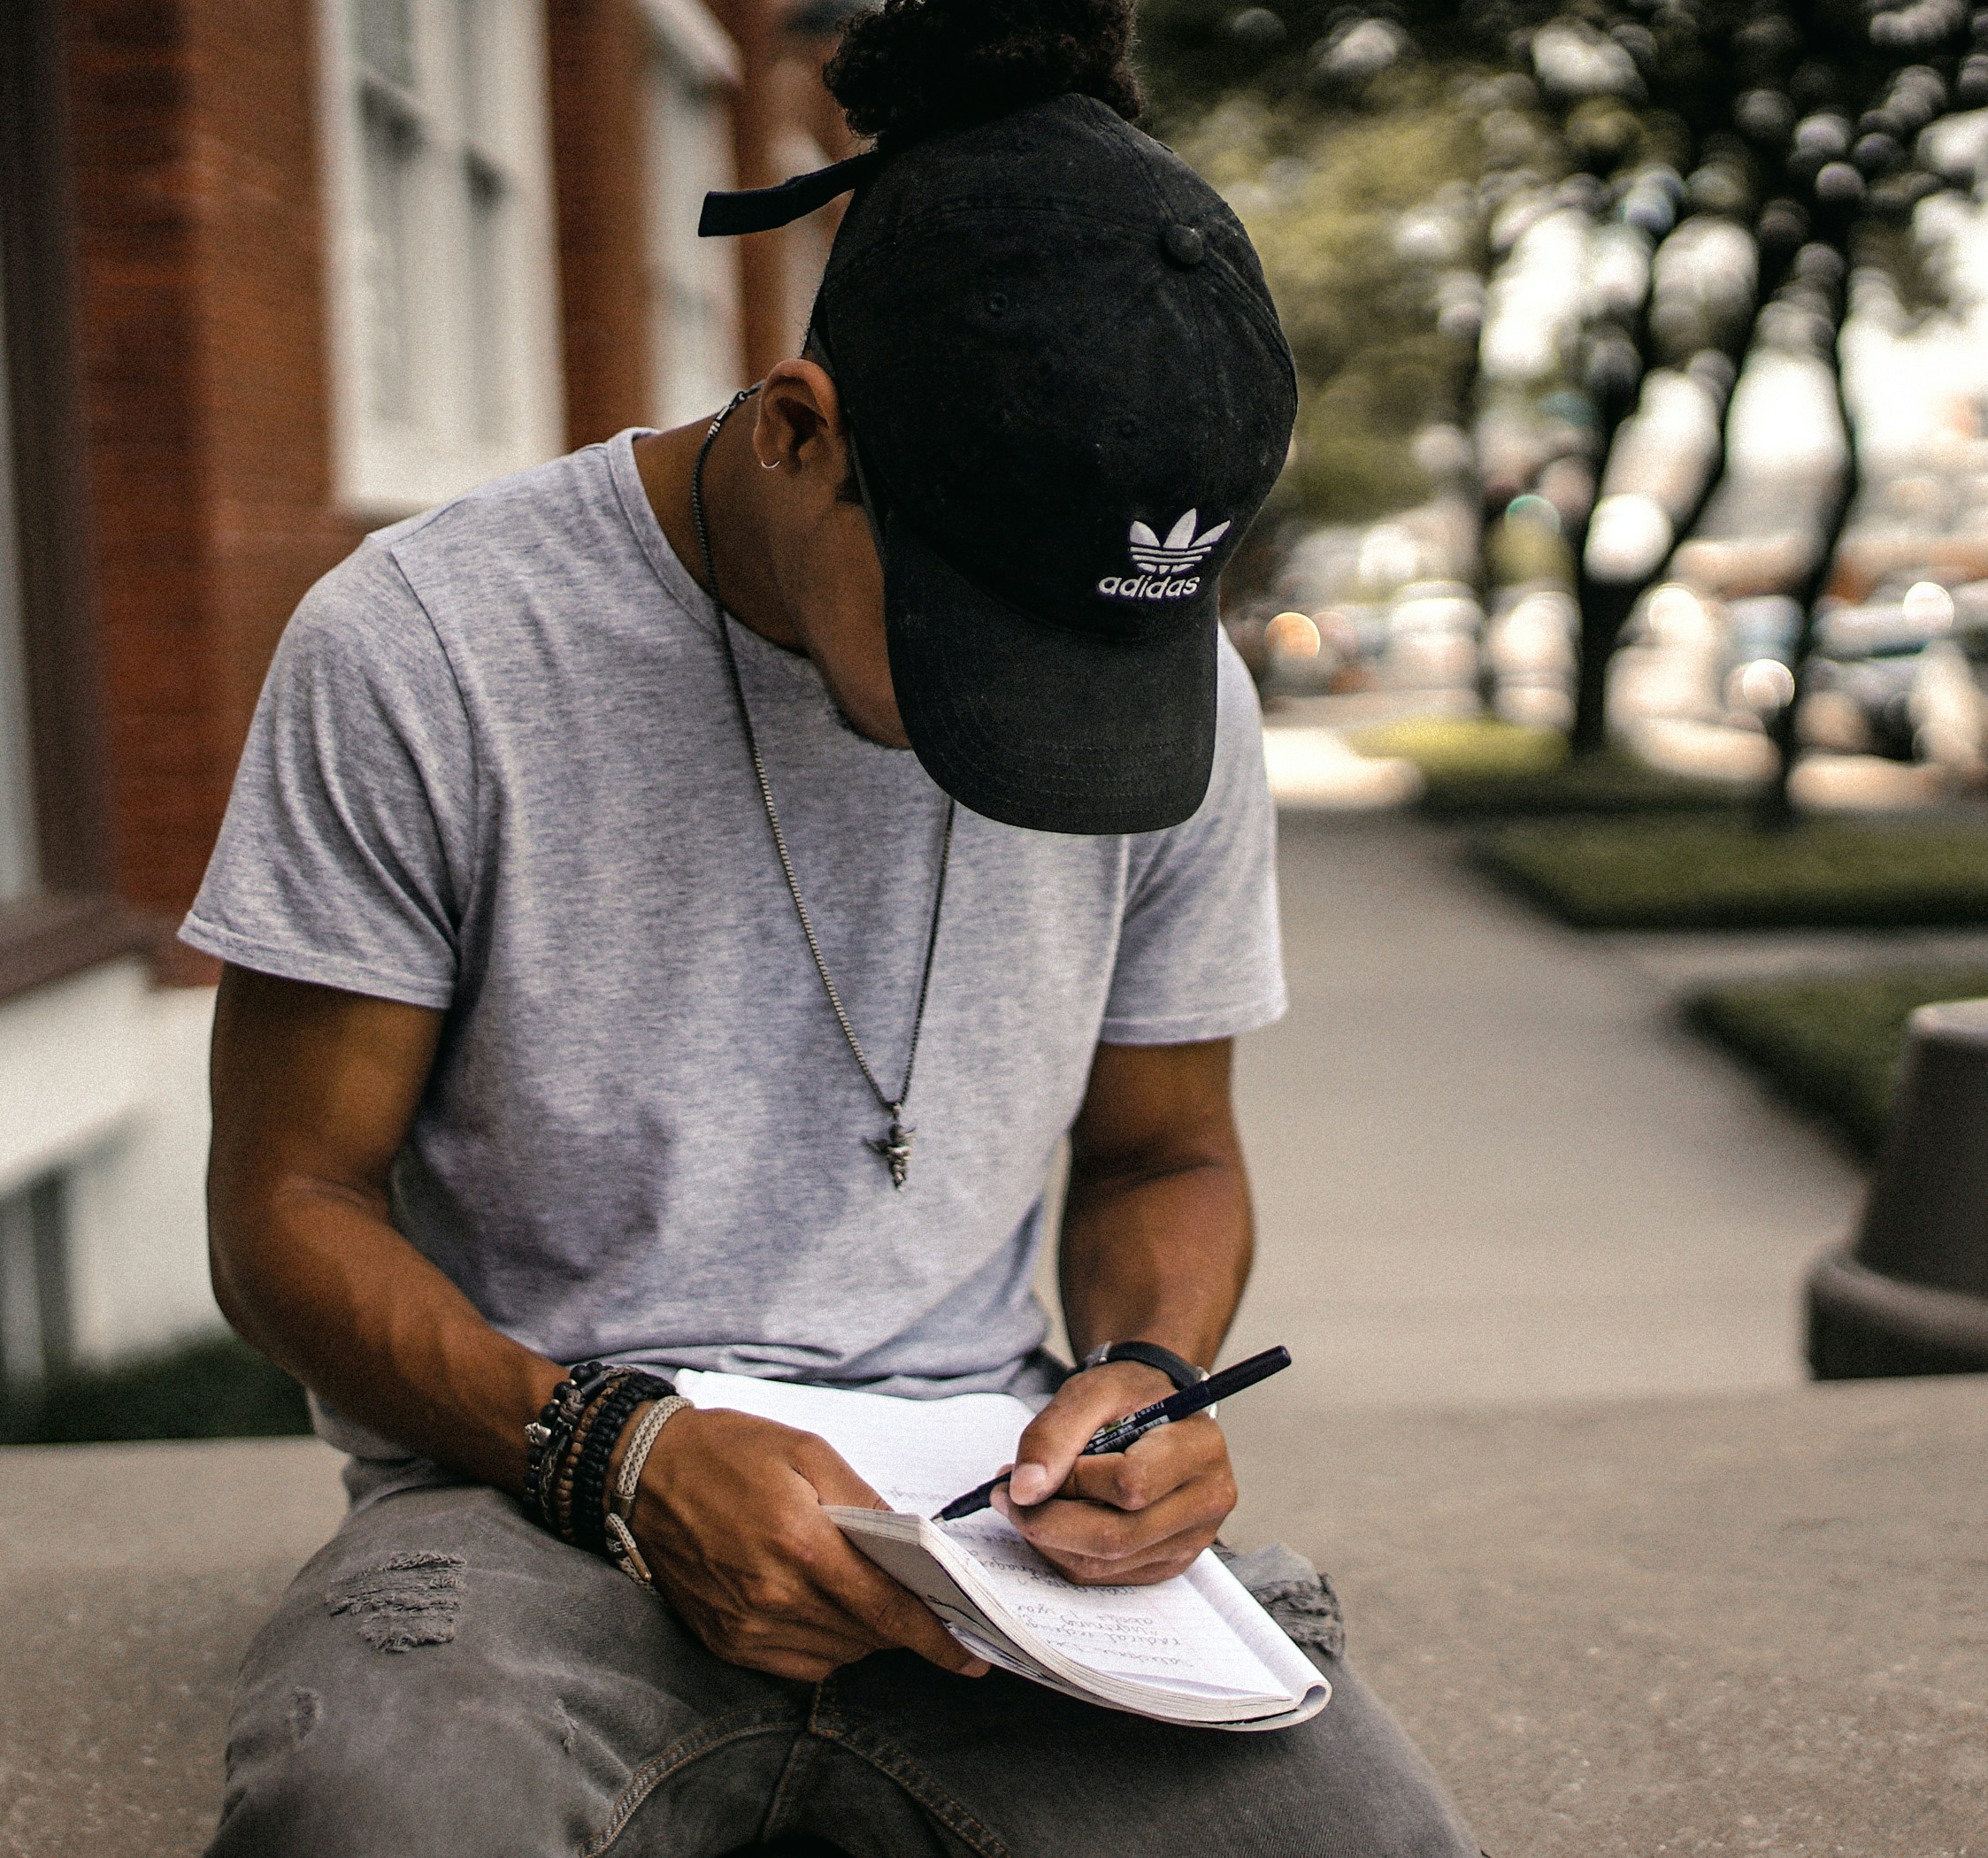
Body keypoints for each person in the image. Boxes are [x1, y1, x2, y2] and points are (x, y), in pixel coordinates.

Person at [185, 0, 1479, 1850]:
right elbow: (284, 1214)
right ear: (800, 432)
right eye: (982, 643)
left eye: (1096, 652)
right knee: (383, 1824)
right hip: (528, 1488)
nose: (1045, 715)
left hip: (985, 1523)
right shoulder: (427, 647)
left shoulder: (1184, 697)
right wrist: (617, 1451)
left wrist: (1140, 1377)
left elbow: (1164, 1153)